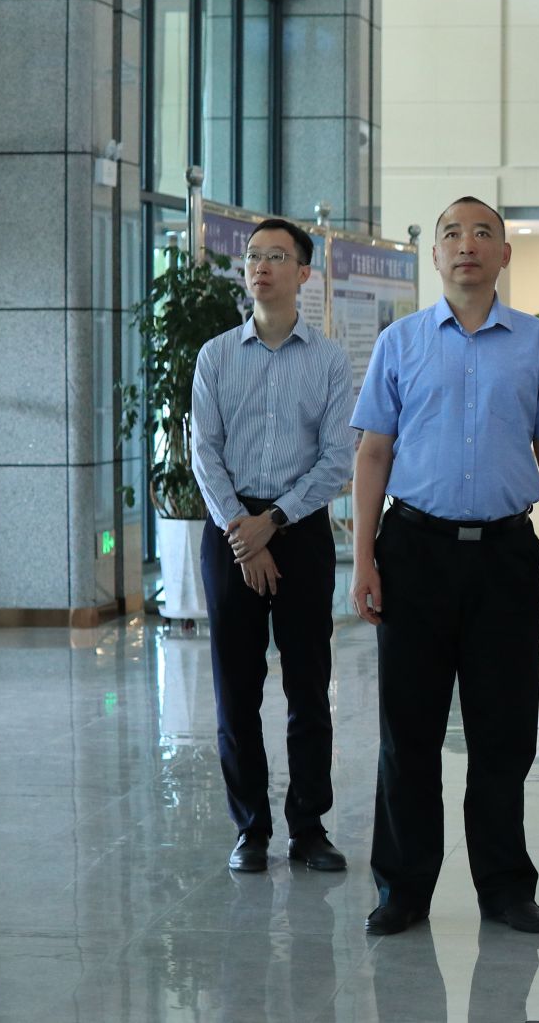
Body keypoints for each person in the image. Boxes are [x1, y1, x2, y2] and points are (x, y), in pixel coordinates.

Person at [348, 196, 539, 936]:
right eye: (452, 233)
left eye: (483, 233)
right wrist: (362, 558)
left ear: (504, 254)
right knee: (408, 730)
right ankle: (403, 887)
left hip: (507, 555)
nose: (466, 244)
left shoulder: (536, 343)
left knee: (503, 731)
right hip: (412, 551)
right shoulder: (401, 342)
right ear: (436, 254)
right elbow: (373, 453)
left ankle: (505, 886)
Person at [190, 217, 354, 874]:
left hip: (301, 531)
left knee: (308, 685)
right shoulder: (216, 356)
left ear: (304, 273)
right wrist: (244, 530)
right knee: (237, 688)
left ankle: (309, 828)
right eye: (254, 255)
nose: (260, 265)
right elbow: (204, 452)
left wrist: (274, 521)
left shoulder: (329, 360)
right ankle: (250, 828)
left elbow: (337, 458)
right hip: (230, 531)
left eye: (277, 256)